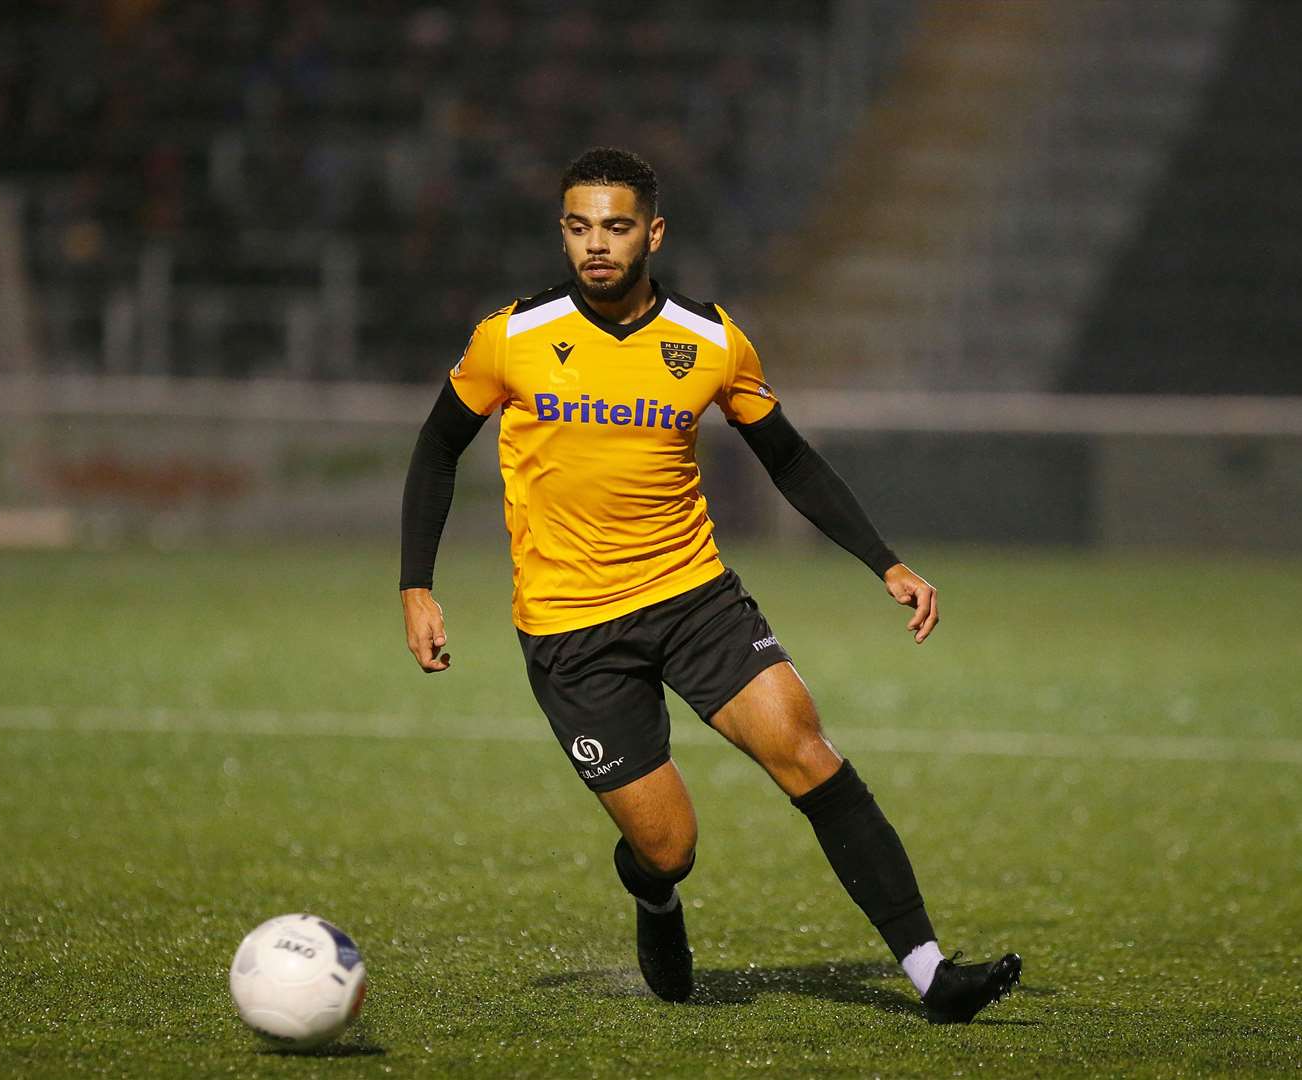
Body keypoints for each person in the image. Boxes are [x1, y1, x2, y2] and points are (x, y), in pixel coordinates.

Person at [399, 147, 1020, 1022]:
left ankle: (930, 975)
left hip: (695, 598)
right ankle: (656, 901)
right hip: (573, 630)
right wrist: (416, 586)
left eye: (615, 227)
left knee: (808, 752)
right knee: (669, 846)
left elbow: (789, 459)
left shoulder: (712, 340)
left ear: (652, 232)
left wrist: (886, 561)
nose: (596, 246)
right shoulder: (512, 337)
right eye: (579, 227)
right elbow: (435, 448)